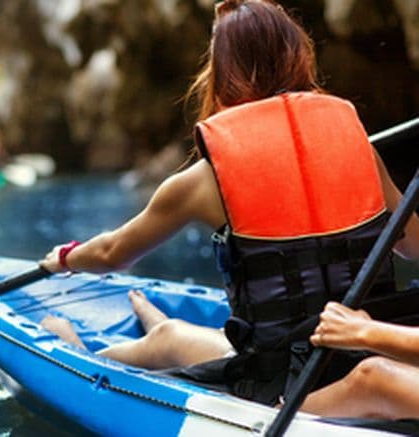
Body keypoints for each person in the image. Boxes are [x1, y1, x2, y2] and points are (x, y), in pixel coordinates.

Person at [39, 0, 419, 410]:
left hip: (287, 378)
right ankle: (160, 332)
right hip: (361, 345)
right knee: (171, 339)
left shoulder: (205, 181)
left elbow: (112, 253)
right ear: (299, 58)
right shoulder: (357, 148)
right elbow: (414, 247)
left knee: (236, 354)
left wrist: (65, 258)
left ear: (220, 75)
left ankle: (77, 351)